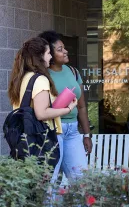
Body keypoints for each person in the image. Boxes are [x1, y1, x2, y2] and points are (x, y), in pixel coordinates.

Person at [8, 37, 77, 183]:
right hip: (44, 137)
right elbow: (42, 113)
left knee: (33, 184)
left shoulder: (20, 78)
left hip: (24, 138)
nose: (50, 57)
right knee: (48, 184)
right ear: (40, 57)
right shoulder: (40, 79)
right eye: (48, 53)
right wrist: (67, 109)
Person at [38, 31, 93, 182]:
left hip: (73, 132)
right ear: (48, 53)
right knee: (51, 180)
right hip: (54, 130)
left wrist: (86, 135)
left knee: (82, 180)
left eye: (64, 48)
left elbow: (81, 107)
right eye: (60, 49)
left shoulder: (73, 72)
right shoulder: (42, 76)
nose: (65, 51)